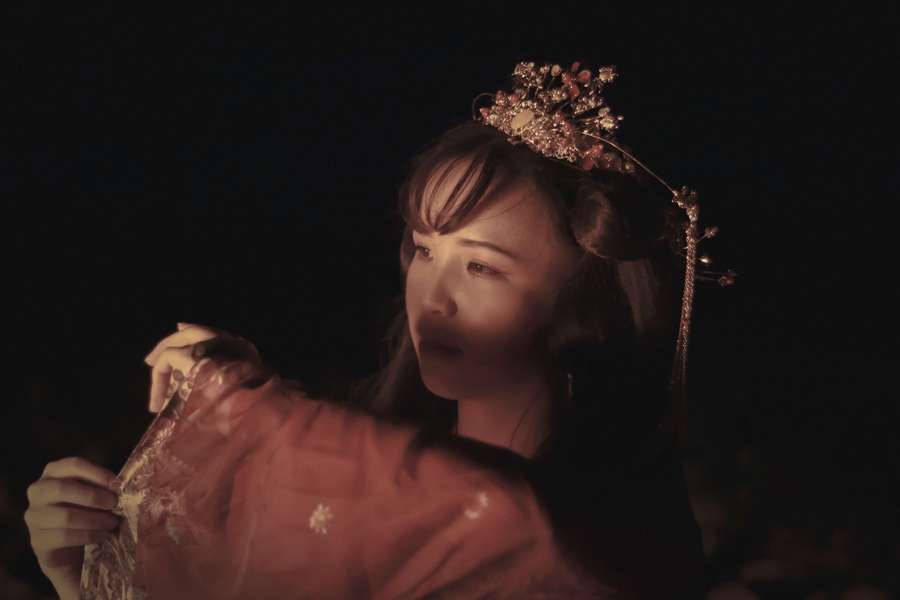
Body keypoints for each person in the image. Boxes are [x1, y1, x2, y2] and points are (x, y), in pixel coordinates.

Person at [25, 59, 731, 598]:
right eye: (424, 250)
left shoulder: (609, 518)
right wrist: (84, 573)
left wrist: (246, 410)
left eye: (481, 267)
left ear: (581, 303)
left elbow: (488, 512)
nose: (433, 299)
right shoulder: (368, 440)